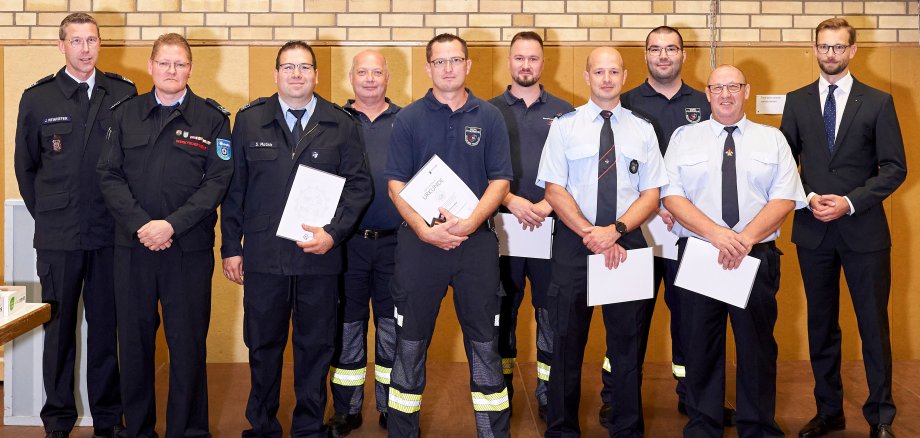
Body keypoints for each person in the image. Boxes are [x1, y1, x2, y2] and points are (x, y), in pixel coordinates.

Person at [220, 41, 372, 438]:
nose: (296, 75)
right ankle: (263, 427)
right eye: (288, 67)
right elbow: (234, 190)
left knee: (315, 349)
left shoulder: (341, 123)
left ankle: (308, 428)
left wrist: (334, 234)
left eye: (304, 67)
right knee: (263, 347)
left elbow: (359, 187)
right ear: (276, 75)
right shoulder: (250, 121)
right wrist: (231, 248)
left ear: (317, 75)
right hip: (264, 258)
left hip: (318, 258)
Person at [97, 33, 233, 438]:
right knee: (135, 348)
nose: (172, 71)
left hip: (186, 251)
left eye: (180, 64)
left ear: (190, 68)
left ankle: (188, 431)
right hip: (133, 249)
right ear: (152, 65)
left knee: (188, 347)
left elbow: (218, 181)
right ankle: (137, 430)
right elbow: (108, 174)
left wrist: (171, 225)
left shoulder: (212, 119)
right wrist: (143, 225)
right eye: (165, 63)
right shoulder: (125, 114)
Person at [662, 64, 805, 438]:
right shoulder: (683, 138)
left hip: (755, 255)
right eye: (717, 87)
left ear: (746, 91)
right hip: (700, 253)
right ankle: (703, 426)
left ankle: (757, 427)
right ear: (707, 94)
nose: (725, 94)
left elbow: (784, 196)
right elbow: (671, 196)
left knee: (756, 349)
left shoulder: (772, 139)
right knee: (700, 347)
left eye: (733, 87)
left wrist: (743, 239)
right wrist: (718, 236)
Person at [781, 18, 907, 438]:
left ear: (853, 50)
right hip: (813, 229)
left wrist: (850, 202)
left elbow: (894, 168)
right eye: (823, 47)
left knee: (873, 324)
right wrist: (812, 197)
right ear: (814, 50)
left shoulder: (878, 102)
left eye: (838, 47)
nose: (830, 54)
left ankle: (881, 416)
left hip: (864, 231)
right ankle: (828, 411)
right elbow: (785, 167)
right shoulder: (797, 102)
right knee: (822, 325)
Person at [14, 12, 136, 438]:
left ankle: (107, 420)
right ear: (61, 45)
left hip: (109, 235)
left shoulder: (123, 93)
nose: (86, 49)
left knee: (106, 330)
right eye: (77, 41)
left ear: (101, 44)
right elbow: (26, 167)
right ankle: (58, 421)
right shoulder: (38, 99)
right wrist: (50, 213)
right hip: (59, 236)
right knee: (59, 331)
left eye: (92, 40)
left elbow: (131, 165)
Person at [384, 33, 513, 438]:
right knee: (409, 344)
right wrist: (424, 230)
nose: (448, 68)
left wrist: (473, 222)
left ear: (468, 65)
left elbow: (501, 181)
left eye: (455, 60)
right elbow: (395, 184)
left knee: (484, 344)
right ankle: (403, 432)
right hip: (418, 247)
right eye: (439, 62)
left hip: (474, 246)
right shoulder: (407, 119)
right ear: (428, 68)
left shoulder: (489, 116)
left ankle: (493, 432)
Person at [536, 47, 666, 437]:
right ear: (586, 77)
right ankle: (562, 429)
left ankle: (627, 428)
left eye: (613, 71)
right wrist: (590, 232)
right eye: (598, 72)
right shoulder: (564, 127)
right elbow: (555, 189)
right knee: (566, 344)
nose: (606, 78)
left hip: (627, 244)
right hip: (575, 246)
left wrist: (616, 231)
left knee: (627, 347)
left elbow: (652, 194)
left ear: (625, 76)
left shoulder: (643, 129)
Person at [619, 25, 735, 428]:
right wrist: (652, 205)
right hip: (636, 231)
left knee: (696, 320)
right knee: (628, 319)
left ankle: (697, 398)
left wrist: (679, 207)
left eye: (671, 49)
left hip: (693, 233)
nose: (663, 55)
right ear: (645, 55)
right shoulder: (626, 101)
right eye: (655, 49)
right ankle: (617, 399)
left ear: (685, 55)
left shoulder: (704, 101)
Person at [487, 31, 573, 420]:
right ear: (509, 61)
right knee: (502, 310)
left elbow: (575, 173)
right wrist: (510, 200)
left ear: (544, 63)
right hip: (502, 227)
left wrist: (545, 204)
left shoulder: (567, 112)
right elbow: (478, 171)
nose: (526, 65)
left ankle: (548, 392)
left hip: (551, 228)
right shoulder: (486, 111)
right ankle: (499, 387)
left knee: (550, 313)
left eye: (533, 59)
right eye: (519, 58)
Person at [324, 49, 400, 436]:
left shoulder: (406, 121)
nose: (370, 79)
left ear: (389, 77)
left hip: (396, 245)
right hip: (346, 245)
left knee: (391, 328)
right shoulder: (333, 120)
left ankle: (391, 407)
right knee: (348, 326)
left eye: (377, 72)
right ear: (350, 77)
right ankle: (347, 408)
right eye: (362, 72)